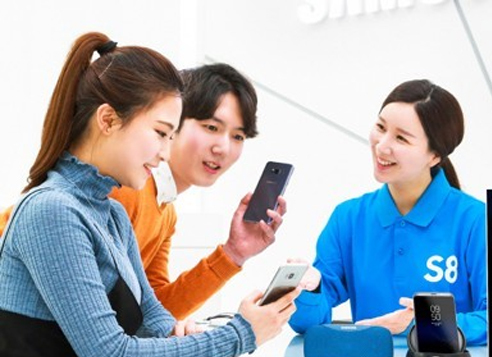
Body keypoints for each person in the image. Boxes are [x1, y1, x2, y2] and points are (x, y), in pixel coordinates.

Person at [0, 31, 300, 356]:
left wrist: (196, 332)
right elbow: (110, 351)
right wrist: (241, 334)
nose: (165, 153)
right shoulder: (53, 210)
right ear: (108, 120)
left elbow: (152, 319)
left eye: (238, 135)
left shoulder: (112, 215)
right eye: (160, 133)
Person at [289, 79, 487, 346]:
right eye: (380, 127)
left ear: (435, 156)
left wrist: (420, 323)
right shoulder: (348, 218)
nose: (382, 146)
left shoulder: (475, 220)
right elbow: (307, 324)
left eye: (401, 138)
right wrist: (309, 290)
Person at [109, 63, 286, 319]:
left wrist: (233, 253)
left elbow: (154, 313)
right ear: (173, 121)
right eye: (211, 127)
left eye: (238, 136)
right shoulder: (127, 191)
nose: (223, 148)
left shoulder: (165, 209)